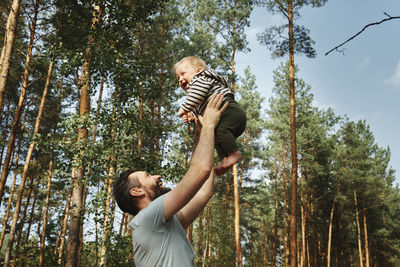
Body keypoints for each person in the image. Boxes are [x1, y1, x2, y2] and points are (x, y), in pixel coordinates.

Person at [113, 94, 229, 267]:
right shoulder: (146, 218)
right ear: (136, 191)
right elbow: (200, 170)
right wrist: (209, 126)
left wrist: (202, 133)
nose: (157, 176)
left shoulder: (166, 223)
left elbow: (204, 191)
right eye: (147, 176)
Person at [175, 56, 247, 175]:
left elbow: (197, 94)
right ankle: (225, 159)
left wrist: (185, 107)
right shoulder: (197, 94)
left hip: (229, 111)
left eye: (183, 74)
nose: (180, 79)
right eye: (178, 78)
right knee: (214, 137)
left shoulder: (201, 79)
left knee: (220, 130)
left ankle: (234, 153)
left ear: (198, 71)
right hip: (223, 118)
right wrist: (192, 116)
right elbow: (198, 106)